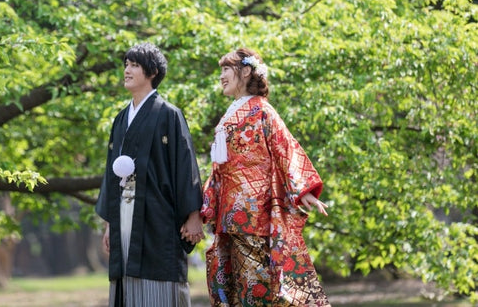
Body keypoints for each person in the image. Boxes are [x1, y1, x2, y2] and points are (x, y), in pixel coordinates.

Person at [201, 48, 330, 306]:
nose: (222, 76)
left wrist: (302, 190)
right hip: (230, 213)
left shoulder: (262, 110)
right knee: (235, 286)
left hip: (254, 213)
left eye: (227, 69)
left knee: (256, 285)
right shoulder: (231, 111)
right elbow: (219, 167)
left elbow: (285, 147)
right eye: (221, 70)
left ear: (246, 71)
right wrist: (205, 204)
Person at [96, 42, 204, 307]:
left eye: (134, 65)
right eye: (126, 65)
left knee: (159, 271)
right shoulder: (121, 119)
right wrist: (109, 222)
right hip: (123, 210)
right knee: (125, 270)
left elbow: (184, 164)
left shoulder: (169, 114)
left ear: (152, 72)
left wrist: (193, 215)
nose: (127, 70)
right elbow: (111, 172)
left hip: (158, 212)